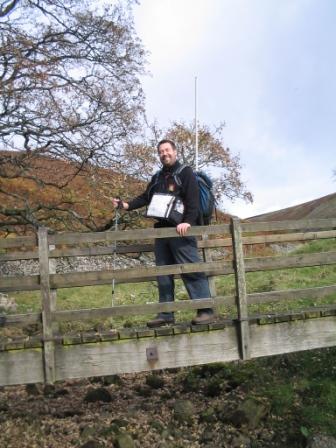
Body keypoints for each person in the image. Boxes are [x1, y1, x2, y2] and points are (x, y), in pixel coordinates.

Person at [112, 139, 214, 327]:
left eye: (167, 150)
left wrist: (188, 223)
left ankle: (205, 310)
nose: (164, 154)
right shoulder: (158, 177)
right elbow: (145, 197)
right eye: (161, 152)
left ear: (175, 152)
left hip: (181, 231)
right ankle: (166, 314)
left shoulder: (186, 172)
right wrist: (124, 205)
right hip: (162, 233)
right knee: (163, 273)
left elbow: (192, 201)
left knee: (190, 270)